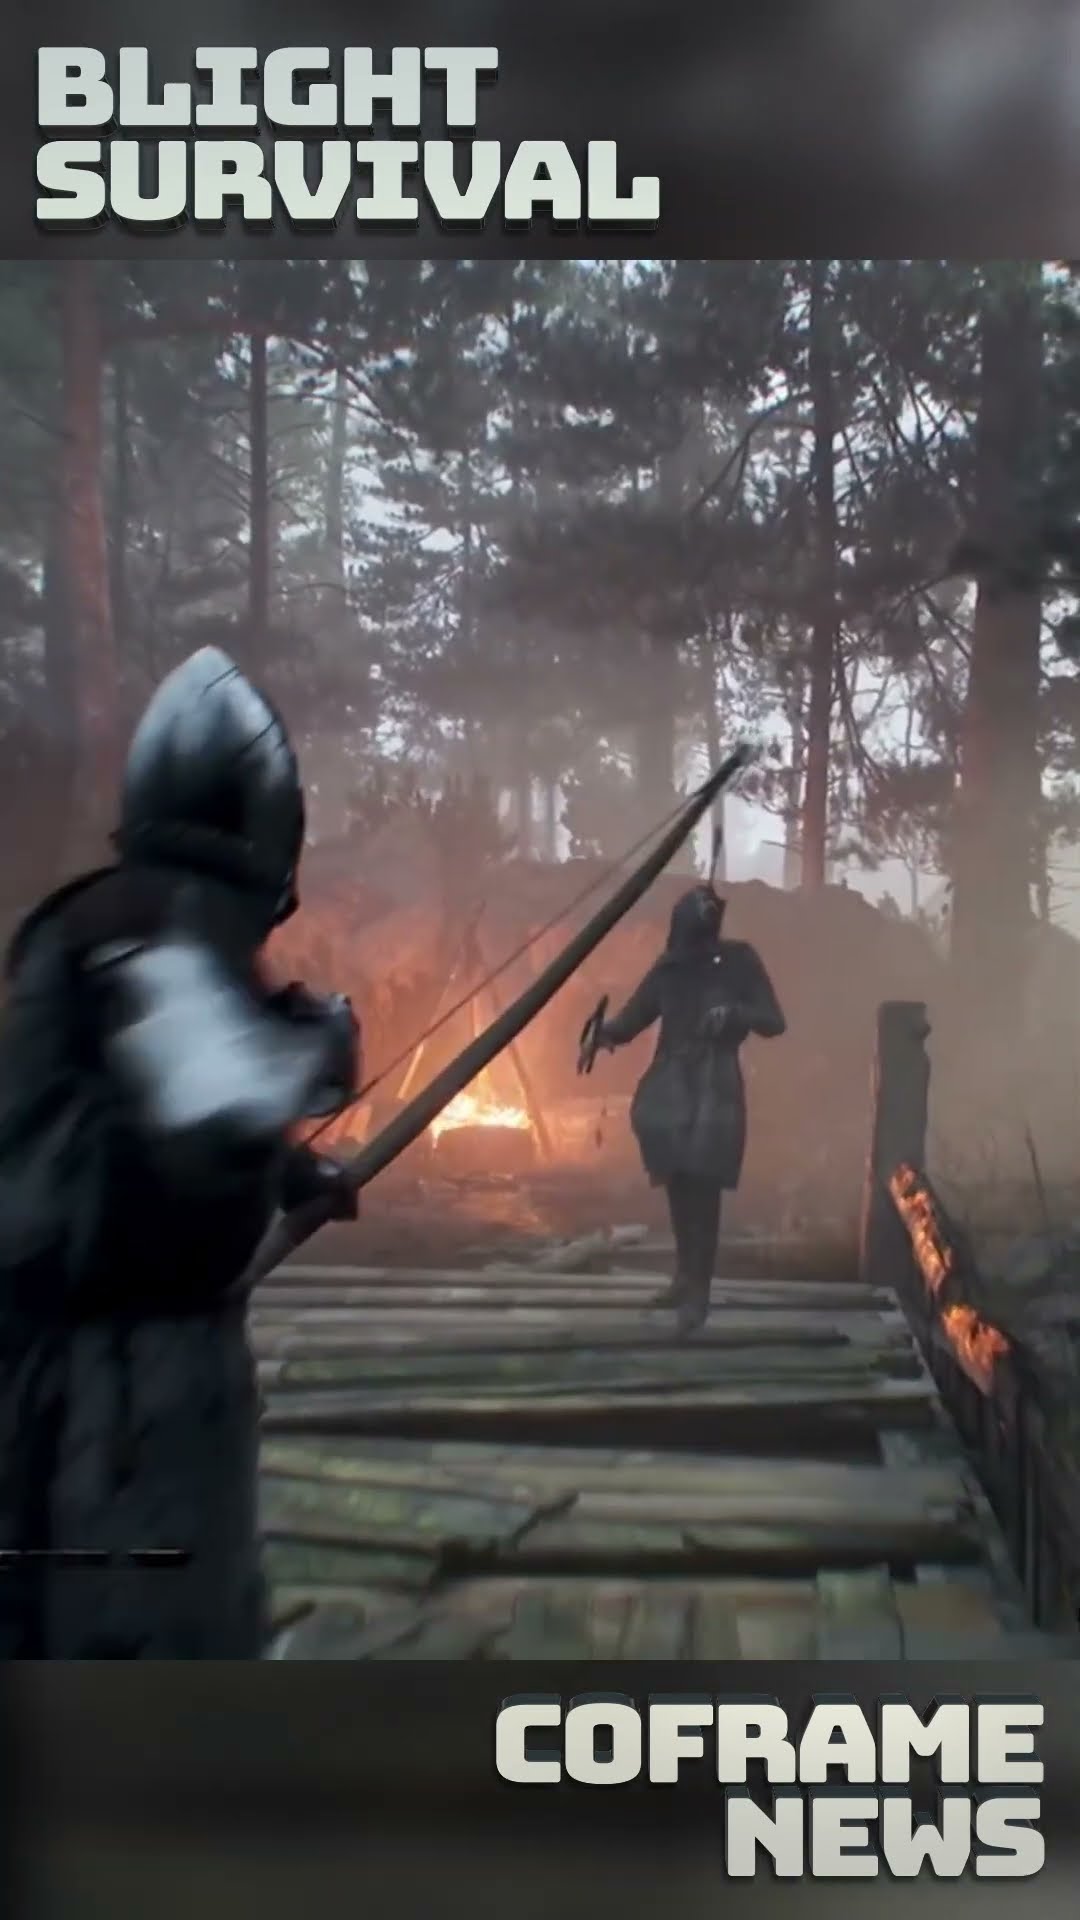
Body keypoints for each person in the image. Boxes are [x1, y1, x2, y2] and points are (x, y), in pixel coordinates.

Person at [0, 646, 360, 1658]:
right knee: (137, 1638)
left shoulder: (138, 926)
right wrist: (318, 1041)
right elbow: (215, 1085)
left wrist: (290, 1171)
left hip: (125, 1363)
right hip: (103, 1382)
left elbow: (141, 1117)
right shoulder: (141, 924)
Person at [593, 884, 785, 1333]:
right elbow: (633, 1018)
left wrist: (735, 1013)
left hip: (715, 1084)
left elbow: (773, 1021)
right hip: (671, 1083)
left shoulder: (739, 961)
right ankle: (684, 1278)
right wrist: (604, 1034)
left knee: (704, 1183)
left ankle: (699, 1289)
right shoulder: (671, 968)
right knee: (678, 1179)